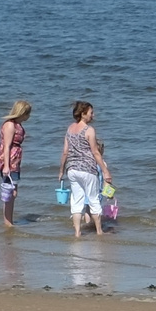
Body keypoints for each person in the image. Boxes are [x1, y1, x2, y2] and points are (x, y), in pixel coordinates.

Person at [59, 101, 112, 237]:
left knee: (76, 201)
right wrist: (105, 171)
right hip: (88, 169)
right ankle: (99, 231)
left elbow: (65, 152)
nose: (93, 116)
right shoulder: (89, 130)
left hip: (72, 169)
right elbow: (95, 152)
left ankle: (77, 232)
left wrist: (61, 170)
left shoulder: (70, 129)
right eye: (91, 113)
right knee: (94, 199)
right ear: (83, 114)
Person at [0, 100, 30, 229]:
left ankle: (9, 221)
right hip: (10, 161)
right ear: (22, 113)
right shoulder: (10, 125)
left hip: (15, 160)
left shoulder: (17, 124)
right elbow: (7, 146)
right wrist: (6, 165)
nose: (28, 117)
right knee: (11, 192)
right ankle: (8, 222)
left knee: (12, 192)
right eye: (27, 114)